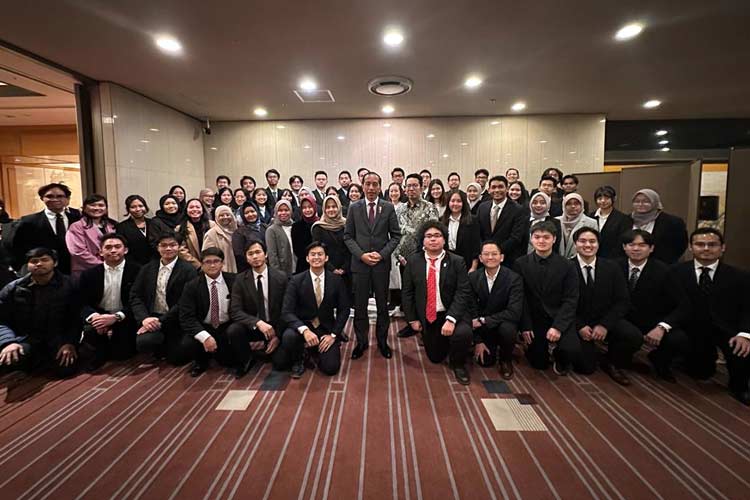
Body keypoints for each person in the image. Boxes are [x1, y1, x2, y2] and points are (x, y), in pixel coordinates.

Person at [660, 228, 750, 404]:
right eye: (700, 244)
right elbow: (668, 304)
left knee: (743, 351)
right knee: (701, 372)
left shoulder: (740, 276)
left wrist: (745, 334)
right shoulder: (676, 272)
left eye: (712, 244)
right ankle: (684, 359)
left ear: (722, 248)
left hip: (726, 329)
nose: (706, 249)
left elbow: (748, 307)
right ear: (691, 248)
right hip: (690, 327)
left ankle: (740, 386)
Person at [402, 221, 473, 384]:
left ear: (444, 239)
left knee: (463, 333)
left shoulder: (457, 261)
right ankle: (448, 344)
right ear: (423, 241)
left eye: (437, 236)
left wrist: (451, 319)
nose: (433, 240)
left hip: (451, 312)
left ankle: (458, 364)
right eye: (428, 236)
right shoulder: (413, 261)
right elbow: (407, 292)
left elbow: (463, 292)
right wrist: (412, 319)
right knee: (435, 357)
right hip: (430, 315)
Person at [571, 227, 642, 385]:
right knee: (585, 367)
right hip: (578, 321)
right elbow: (562, 303)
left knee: (634, 336)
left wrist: (604, 325)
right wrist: (580, 326)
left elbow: (622, 301)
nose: (587, 245)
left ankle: (612, 361)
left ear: (598, 244)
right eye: (582, 241)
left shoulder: (612, 267)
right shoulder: (566, 267)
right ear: (575, 244)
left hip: (605, 319)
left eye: (592, 241)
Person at [344, 172, 401, 360]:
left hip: (380, 266)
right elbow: (348, 236)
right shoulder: (354, 207)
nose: (370, 188)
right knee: (359, 306)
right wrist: (361, 255)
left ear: (379, 186)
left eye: (374, 184)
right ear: (362, 185)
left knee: (382, 306)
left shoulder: (388, 208)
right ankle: (361, 342)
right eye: (367, 184)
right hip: (360, 266)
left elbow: (395, 236)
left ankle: (383, 342)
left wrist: (382, 254)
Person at [619, 229, 687, 382]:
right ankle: (618, 359)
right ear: (624, 247)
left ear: (651, 248)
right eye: (631, 244)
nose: (636, 249)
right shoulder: (614, 266)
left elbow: (682, 305)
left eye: (642, 245)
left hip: (653, 320)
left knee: (679, 338)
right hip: (621, 318)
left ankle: (660, 360)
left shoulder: (665, 271)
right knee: (628, 336)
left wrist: (662, 327)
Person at [514, 221, 581, 374]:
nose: (541, 241)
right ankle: (544, 349)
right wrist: (525, 326)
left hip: (559, 317)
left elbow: (571, 299)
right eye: (537, 237)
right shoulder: (521, 263)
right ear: (531, 239)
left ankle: (558, 353)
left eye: (546, 237)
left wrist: (558, 327)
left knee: (571, 351)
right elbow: (520, 297)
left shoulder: (567, 265)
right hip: (535, 319)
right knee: (538, 363)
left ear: (554, 239)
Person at [0, 248, 78, 377]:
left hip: (58, 339)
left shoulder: (70, 285)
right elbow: (2, 319)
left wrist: (70, 342)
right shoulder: (13, 288)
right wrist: (9, 342)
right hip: (26, 338)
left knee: (66, 368)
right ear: (27, 265)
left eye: (45, 260)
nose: (39, 264)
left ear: (55, 263)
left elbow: (76, 318)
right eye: (34, 261)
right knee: (10, 359)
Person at [278, 242, 351, 378]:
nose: (316, 257)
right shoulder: (296, 280)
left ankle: (313, 349)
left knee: (330, 368)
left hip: (325, 328)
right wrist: (304, 330)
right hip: (303, 326)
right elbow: (287, 312)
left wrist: (334, 335)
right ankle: (299, 358)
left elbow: (344, 310)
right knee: (285, 347)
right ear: (307, 258)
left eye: (320, 254)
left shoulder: (336, 281)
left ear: (326, 258)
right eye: (313, 254)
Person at [129, 233, 196, 364]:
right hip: (152, 317)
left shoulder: (188, 270)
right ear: (158, 248)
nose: (168, 249)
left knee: (179, 359)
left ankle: (168, 345)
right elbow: (135, 295)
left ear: (179, 247)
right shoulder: (147, 268)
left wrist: (161, 321)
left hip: (177, 320)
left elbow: (185, 302)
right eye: (164, 245)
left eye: (172, 245)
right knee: (144, 342)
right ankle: (160, 346)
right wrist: (145, 319)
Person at [78, 233, 141, 370]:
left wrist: (116, 317)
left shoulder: (138, 271)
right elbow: (81, 302)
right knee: (92, 358)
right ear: (100, 251)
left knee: (122, 355)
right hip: (98, 316)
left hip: (125, 316)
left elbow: (140, 301)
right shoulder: (89, 274)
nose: (113, 250)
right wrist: (95, 318)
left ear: (125, 250)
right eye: (108, 247)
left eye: (117, 247)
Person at [228, 240, 287, 378]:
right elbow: (235, 310)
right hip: (254, 326)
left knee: (280, 363)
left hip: (275, 326)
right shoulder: (240, 279)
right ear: (246, 258)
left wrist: (277, 335)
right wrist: (257, 323)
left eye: (258, 252)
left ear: (265, 254)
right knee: (233, 330)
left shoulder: (281, 277)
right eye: (250, 254)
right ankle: (246, 359)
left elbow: (287, 309)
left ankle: (272, 349)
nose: (255, 257)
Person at [178, 247, 237, 377]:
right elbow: (186, 317)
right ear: (202, 264)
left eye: (216, 261)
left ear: (222, 263)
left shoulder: (234, 281)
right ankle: (200, 362)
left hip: (225, 327)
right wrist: (205, 337)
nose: (212, 265)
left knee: (228, 360)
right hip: (204, 326)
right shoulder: (192, 286)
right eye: (208, 262)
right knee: (187, 344)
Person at [468, 241, 523, 379]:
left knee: (508, 329)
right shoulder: (473, 278)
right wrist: (478, 340)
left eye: (494, 254)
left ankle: (506, 359)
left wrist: (485, 320)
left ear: (502, 257)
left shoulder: (513, 278)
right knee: (485, 362)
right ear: (480, 258)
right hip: (482, 327)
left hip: (502, 322)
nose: (490, 257)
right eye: (486, 254)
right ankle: (486, 346)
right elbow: (471, 308)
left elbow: (514, 311)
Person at [12, 183, 82, 274]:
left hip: (74, 269)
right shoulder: (29, 221)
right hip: (43, 271)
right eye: (50, 196)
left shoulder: (77, 218)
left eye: (60, 196)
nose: (55, 199)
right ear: (42, 198)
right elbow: (18, 248)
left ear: (67, 199)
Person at [311, 196, 351, 325]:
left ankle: (340, 329)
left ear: (339, 207)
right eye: (328, 207)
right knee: (327, 303)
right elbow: (318, 251)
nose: (331, 209)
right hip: (326, 269)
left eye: (334, 206)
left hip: (346, 269)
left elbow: (350, 248)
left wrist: (344, 268)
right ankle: (329, 329)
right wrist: (332, 269)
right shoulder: (318, 227)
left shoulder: (346, 224)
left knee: (343, 303)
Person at [478, 175, 527, 266]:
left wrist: (496, 252)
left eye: (500, 187)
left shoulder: (518, 209)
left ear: (507, 189)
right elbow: (478, 232)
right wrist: (486, 251)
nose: (497, 190)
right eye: (493, 187)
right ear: (489, 190)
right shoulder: (482, 207)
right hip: (484, 258)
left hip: (507, 258)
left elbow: (516, 237)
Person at [66, 194, 118, 278]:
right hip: (87, 271)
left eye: (101, 205)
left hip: (112, 271)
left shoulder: (112, 224)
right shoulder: (76, 226)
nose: (97, 208)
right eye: (92, 205)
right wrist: (103, 265)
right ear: (85, 208)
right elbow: (78, 252)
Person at [631, 189, 688, 264]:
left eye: (646, 201)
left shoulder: (672, 222)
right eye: (637, 201)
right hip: (631, 265)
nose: (641, 204)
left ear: (655, 202)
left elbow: (681, 245)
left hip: (663, 265)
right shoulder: (626, 219)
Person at [441, 190, 480, 272]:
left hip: (466, 262)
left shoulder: (472, 220)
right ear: (448, 203)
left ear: (464, 203)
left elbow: (476, 246)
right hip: (446, 261)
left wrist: (474, 267)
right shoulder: (442, 220)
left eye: (459, 201)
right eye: (452, 201)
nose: (455, 204)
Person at [116, 194, 158, 265]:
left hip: (155, 264)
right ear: (128, 209)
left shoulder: (154, 223)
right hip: (134, 266)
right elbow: (123, 248)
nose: (138, 209)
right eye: (133, 207)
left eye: (141, 206)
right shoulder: (122, 227)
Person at [591, 185, 631, 259]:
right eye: (599, 198)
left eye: (606, 198)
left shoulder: (623, 219)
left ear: (614, 198)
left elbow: (622, 242)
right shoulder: (590, 216)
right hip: (592, 257)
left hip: (613, 259)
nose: (603, 201)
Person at [175, 198, 214, 270]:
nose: (195, 209)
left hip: (212, 264)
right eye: (191, 207)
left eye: (198, 207)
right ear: (186, 210)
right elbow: (181, 250)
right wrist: (199, 266)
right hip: (192, 267)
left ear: (202, 210)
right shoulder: (180, 228)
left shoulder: (212, 225)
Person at [556, 193, 597, 259]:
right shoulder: (556, 221)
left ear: (582, 205)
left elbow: (593, 245)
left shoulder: (591, 223)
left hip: (580, 261)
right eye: (569, 204)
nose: (573, 206)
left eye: (576, 203)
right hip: (558, 262)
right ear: (563, 206)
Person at [233, 202, 268, 272]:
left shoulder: (265, 227)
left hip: (267, 267)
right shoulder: (239, 232)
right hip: (249, 269)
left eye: (252, 211)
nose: (250, 214)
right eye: (246, 213)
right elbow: (239, 254)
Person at [203, 205, 238, 272]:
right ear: (216, 217)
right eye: (221, 215)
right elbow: (207, 256)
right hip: (221, 272)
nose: (225, 217)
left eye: (228, 215)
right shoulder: (211, 234)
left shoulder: (236, 231)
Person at [266, 199, 295, 274]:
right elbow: (272, 256)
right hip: (282, 272)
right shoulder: (271, 230)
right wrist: (278, 274)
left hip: (298, 270)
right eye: (280, 210)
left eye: (286, 210)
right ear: (276, 212)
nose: (283, 213)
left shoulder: (295, 226)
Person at [291, 196, 318, 273]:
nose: (307, 210)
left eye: (310, 207)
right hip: (303, 265)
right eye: (304, 208)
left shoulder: (320, 224)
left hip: (320, 263)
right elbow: (297, 250)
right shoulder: (296, 226)